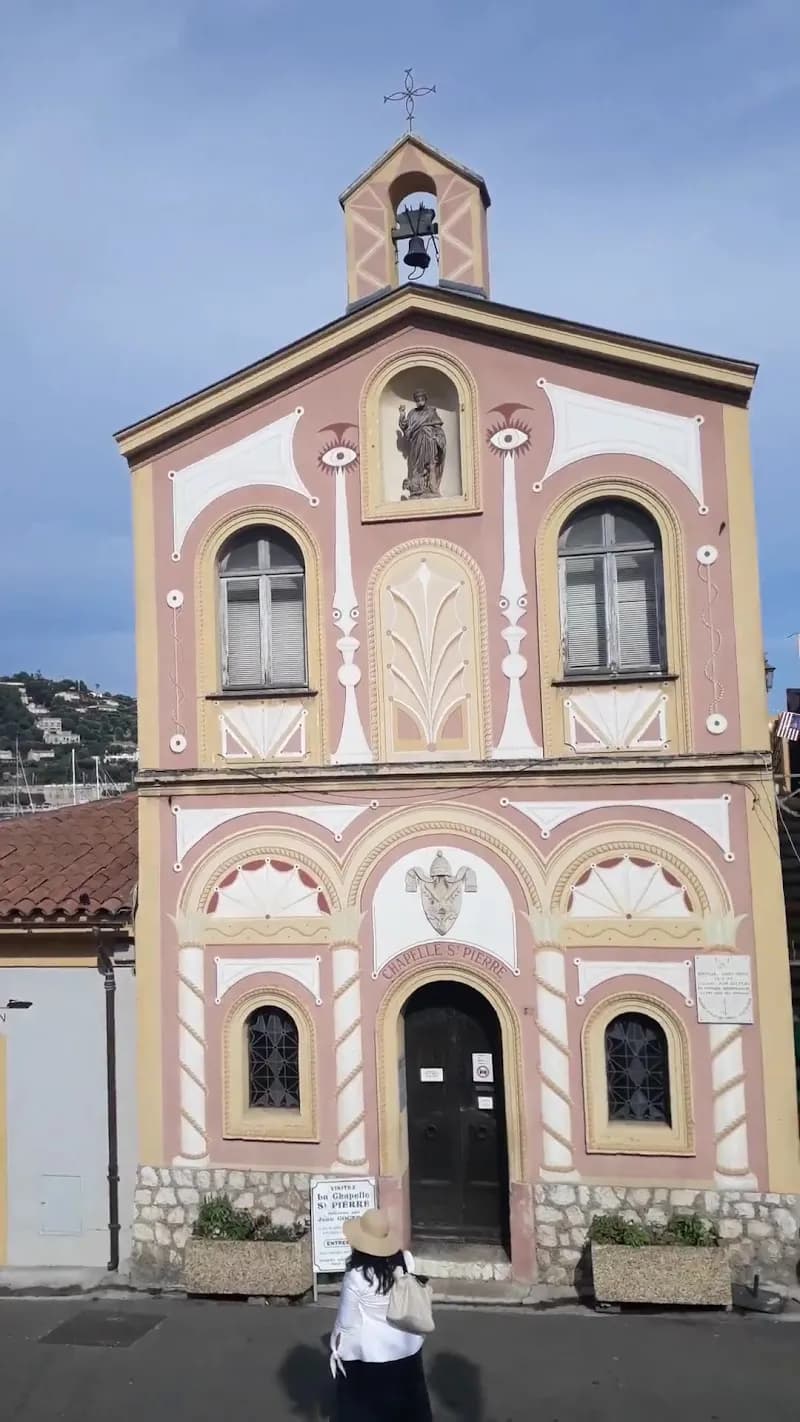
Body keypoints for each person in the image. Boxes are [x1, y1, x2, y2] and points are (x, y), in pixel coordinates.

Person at [330, 1206, 432, 1422]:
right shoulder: (406, 1260)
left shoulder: (356, 1277)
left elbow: (347, 1323)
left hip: (373, 1353)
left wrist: (335, 1346)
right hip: (407, 1346)